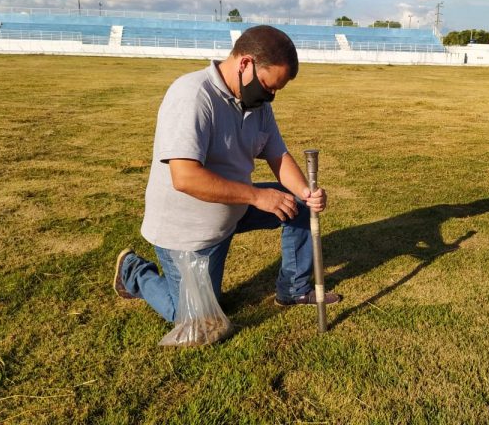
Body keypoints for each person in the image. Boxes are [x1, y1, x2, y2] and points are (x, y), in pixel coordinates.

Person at [112, 25, 341, 323]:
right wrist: (257, 196)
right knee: (197, 320)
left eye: (276, 90)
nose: (271, 96)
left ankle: (293, 289)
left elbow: (277, 154)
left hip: (234, 209)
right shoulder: (192, 95)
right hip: (187, 230)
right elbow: (185, 177)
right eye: (268, 86)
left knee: (296, 206)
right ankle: (134, 270)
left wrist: (305, 193)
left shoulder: (256, 103)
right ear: (245, 63)